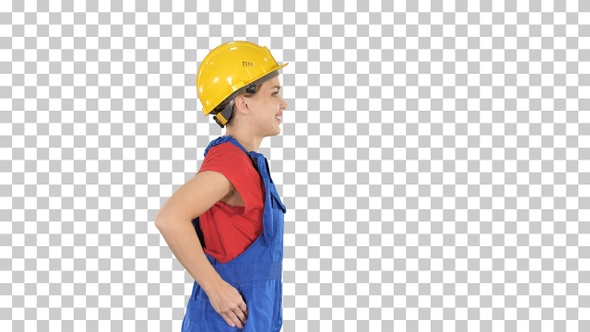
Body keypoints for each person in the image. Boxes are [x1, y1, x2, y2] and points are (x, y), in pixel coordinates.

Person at [155, 40, 288, 331]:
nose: (283, 104)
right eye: (275, 94)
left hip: (253, 316)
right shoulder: (231, 162)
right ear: (243, 102)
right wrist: (215, 288)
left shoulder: (249, 163)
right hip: (225, 321)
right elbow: (170, 218)